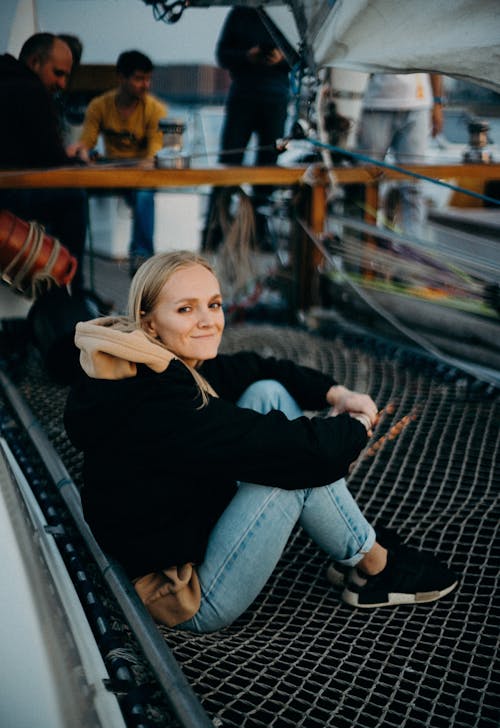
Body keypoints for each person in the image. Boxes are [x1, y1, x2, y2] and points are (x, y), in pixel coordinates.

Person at [64, 250, 458, 634]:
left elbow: (253, 367)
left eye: (214, 305)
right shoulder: (160, 402)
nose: (207, 321)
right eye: (185, 309)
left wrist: (335, 393)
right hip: (183, 593)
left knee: (267, 391)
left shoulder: (148, 361)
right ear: (149, 323)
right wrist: (357, 426)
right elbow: (304, 452)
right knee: (294, 467)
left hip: (185, 529)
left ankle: (353, 549)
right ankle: (374, 567)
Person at [0, 32, 88, 291]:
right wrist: (79, 164)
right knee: (74, 198)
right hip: (6, 198)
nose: (62, 83)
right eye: (58, 73)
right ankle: (69, 287)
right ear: (35, 62)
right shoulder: (30, 89)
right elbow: (53, 161)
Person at [68, 50, 167, 276]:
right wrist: (82, 153)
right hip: (109, 169)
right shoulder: (99, 105)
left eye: (148, 79)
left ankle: (142, 259)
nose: (146, 85)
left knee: (144, 193)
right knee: (74, 193)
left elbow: (153, 156)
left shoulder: (155, 110)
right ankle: (73, 256)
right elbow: (87, 142)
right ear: (121, 78)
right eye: (139, 78)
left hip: (139, 173)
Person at [203, 7, 291, 252]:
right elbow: (222, 55)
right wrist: (247, 56)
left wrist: (281, 57)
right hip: (242, 95)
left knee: (268, 166)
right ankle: (214, 231)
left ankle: (258, 233)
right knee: (228, 164)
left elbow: (301, 55)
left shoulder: (285, 13)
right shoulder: (239, 13)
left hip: (275, 99)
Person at [353, 73, 444, 239]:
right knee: (365, 184)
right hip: (373, 103)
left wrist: (437, 102)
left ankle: (414, 251)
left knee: (413, 187)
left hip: (418, 104)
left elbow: (434, 60)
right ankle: (363, 250)